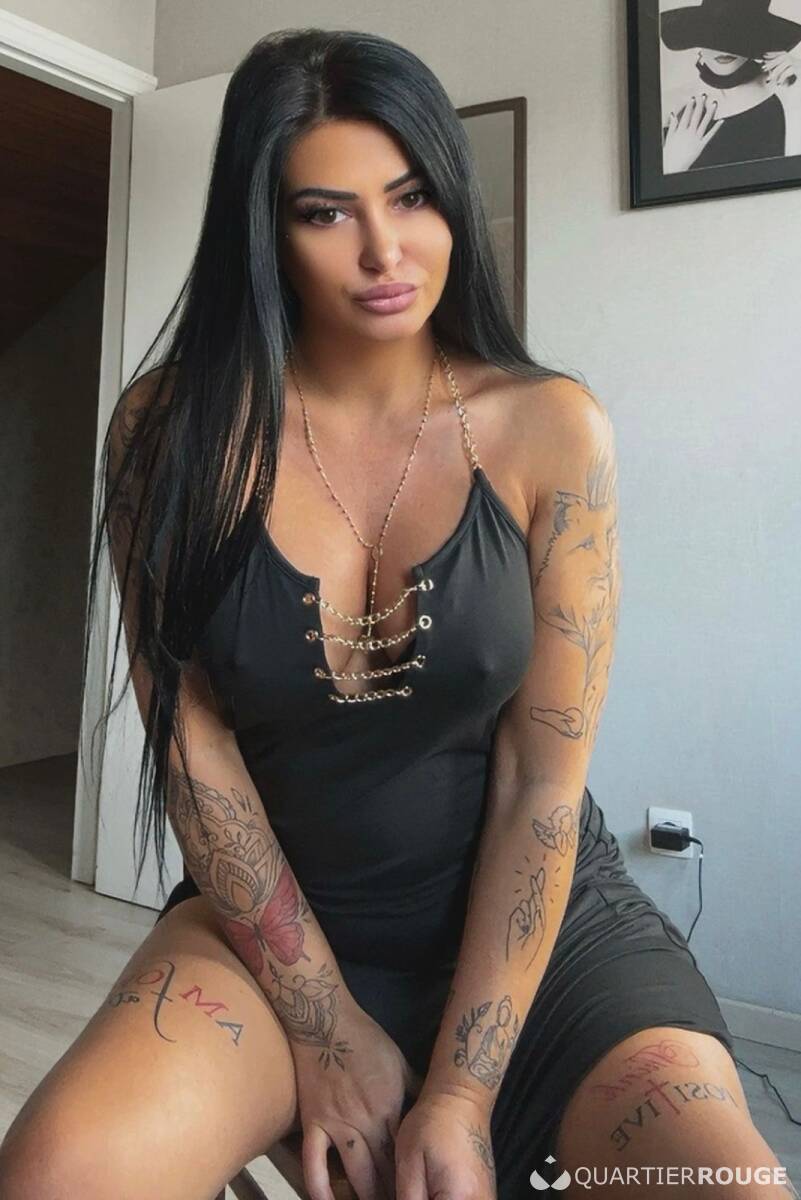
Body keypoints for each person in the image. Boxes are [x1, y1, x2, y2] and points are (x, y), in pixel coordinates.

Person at [0, 27, 793, 1200]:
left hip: (540, 932)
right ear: (265, 229)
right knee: (57, 1175)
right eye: (326, 212)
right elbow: (192, 747)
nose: (384, 250)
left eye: (412, 196)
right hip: (276, 930)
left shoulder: (551, 429)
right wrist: (324, 1028)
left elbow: (539, 782)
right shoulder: (169, 434)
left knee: (729, 1187)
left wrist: (462, 1095)